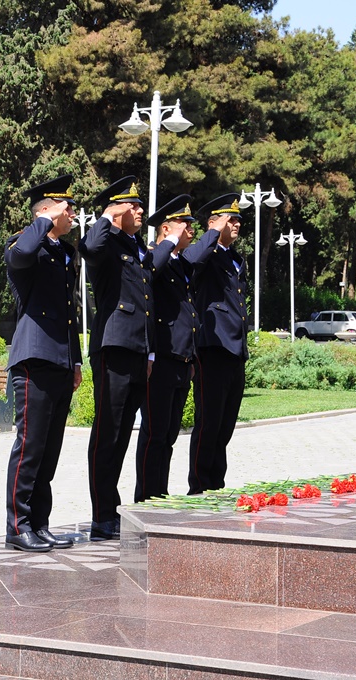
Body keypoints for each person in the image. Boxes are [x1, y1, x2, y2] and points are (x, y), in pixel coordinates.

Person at [78, 176, 178, 541]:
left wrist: (150, 350)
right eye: (133, 206)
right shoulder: (106, 243)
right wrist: (108, 213)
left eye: (139, 205)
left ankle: (114, 510)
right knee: (108, 433)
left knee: (122, 437)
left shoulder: (135, 247)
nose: (140, 212)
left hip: (138, 352)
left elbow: (147, 299)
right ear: (117, 208)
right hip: (114, 348)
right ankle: (102, 515)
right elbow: (88, 246)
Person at [2, 174, 84, 552]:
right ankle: (17, 527)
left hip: (60, 359)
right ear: (47, 211)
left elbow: (71, 312)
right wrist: (43, 220)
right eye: (66, 208)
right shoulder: (25, 244)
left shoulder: (64, 253)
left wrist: (77, 361)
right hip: (33, 357)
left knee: (49, 450)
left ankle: (40, 523)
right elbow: (20, 257)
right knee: (30, 446)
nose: (73, 213)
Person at [133, 195, 218, 502]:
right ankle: (146, 496)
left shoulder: (179, 263)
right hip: (162, 359)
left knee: (168, 435)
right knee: (154, 434)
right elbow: (148, 275)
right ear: (167, 228)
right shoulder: (153, 256)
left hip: (182, 359)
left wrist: (192, 356)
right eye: (185, 224)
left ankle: (161, 491)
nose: (190, 230)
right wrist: (167, 241)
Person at [188, 194, 250, 494]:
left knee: (225, 424)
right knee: (208, 422)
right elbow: (192, 260)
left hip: (235, 348)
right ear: (213, 223)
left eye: (238, 219)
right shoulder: (207, 253)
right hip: (212, 346)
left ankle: (216, 483)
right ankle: (199, 484)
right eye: (229, 219)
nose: (236, 223)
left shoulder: (235, 258)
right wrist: (212, 232)